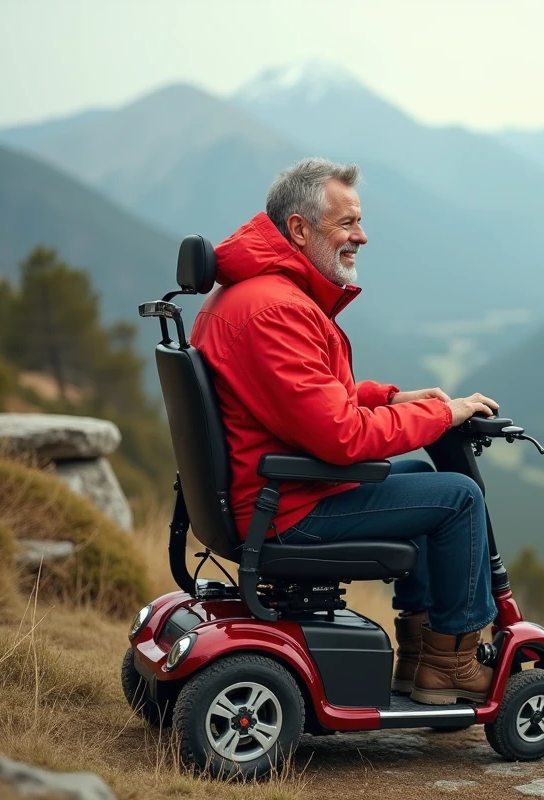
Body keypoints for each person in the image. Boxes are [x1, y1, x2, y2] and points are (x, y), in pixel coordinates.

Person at [191, 158, 498, 705]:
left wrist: (392, 399)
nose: (362, 236)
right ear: (300, 230)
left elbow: (298, 400)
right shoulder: (274, 310)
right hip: (287, 507)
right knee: (457, 497)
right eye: (347, 223)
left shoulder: (252, 296)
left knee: (418, 478)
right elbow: (341, 437)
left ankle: (418, 660)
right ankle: (451, 661)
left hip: (275, 491)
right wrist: (441, 417)